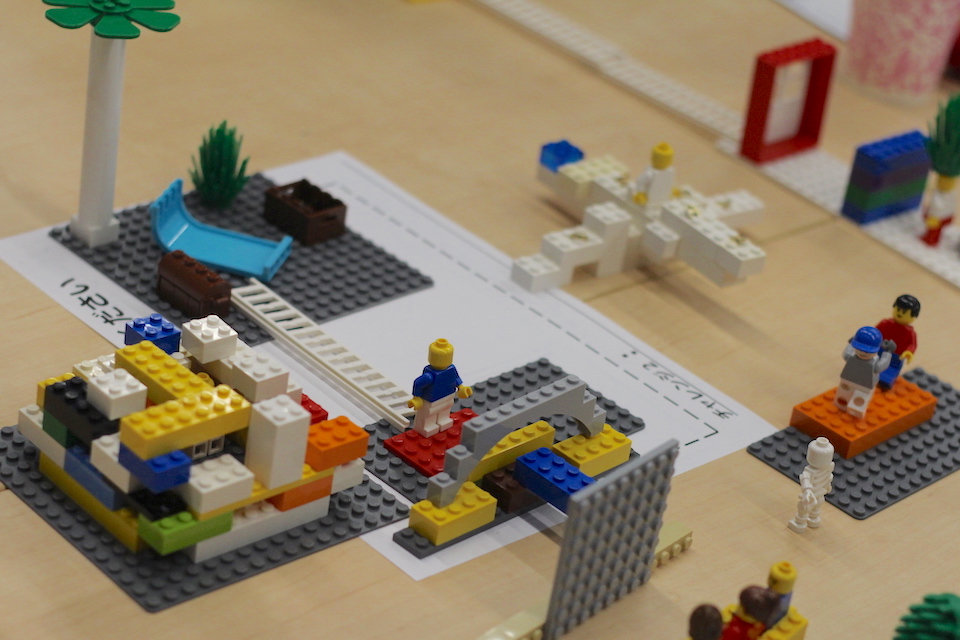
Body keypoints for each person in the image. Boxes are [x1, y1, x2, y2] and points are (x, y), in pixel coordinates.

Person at [407, 339, 472, 438]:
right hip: (430, 400)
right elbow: (418, 384)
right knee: (428, 414)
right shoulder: (429, 375)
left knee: (445, 409)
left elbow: (456, 378)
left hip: (448, 396)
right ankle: (426, 427)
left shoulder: (451, 369)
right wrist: (416, 397)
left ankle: (443, 421)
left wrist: (461, 387)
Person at [834, 326, 891, 419]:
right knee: (843, 396)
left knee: (861, 400)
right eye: (859, 349)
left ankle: (856, 413)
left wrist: (888, 352)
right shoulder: (852, 356)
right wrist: (850, 344)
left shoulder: (874, 363)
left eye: (867, 352)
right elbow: (846, 354)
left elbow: (881, 365)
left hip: (866, 385)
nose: (862, 353)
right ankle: (841, 406)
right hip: (847, 379)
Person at [875, 294, 920, 391]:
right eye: (898, 309)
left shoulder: (910, 332)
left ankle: (884, 382)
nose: (900, 313)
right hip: (879, 351)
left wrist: (908, 352)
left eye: (904, 312)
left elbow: (912, 344)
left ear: (913, 316)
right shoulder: (885, 323)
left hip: (895, 357)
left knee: (889, 372)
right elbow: (876, 333)